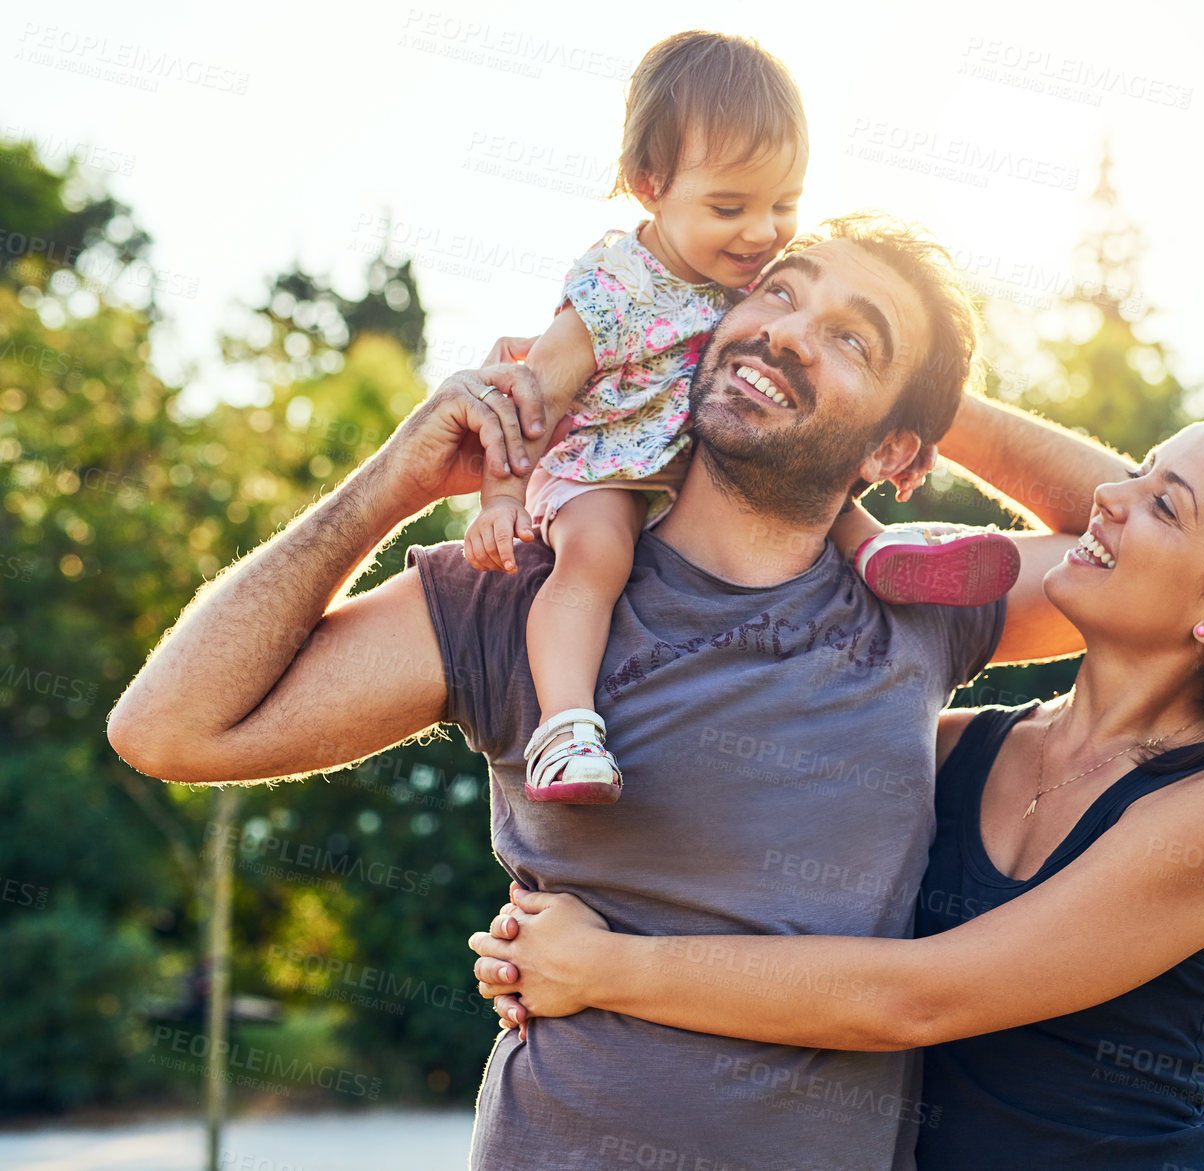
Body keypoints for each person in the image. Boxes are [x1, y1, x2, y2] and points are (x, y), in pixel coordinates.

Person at [107, 212, 1130, 1171]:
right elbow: (170, 728)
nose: (782, 336)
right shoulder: (526, 587)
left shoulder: (920, 598)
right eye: (775, 293)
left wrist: (938, 406)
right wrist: (394, 481)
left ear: (895, 452)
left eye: (849, 339)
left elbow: (1178, 556)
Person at [469, 410, 1204, 1168]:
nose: (1107, 496)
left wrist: (604, 969)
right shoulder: (959, 749)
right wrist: (545, 936)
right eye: (1139, 471)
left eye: (1164, 503)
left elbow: (913, 1001)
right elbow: (727, 815)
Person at [462, 31, 1018, 805]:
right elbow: (527, 398)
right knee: (595, 557)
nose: (761, 234)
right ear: (648, 183)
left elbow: (826, 389)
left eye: (783, 205)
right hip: (603, 466)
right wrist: (495, 499)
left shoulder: (742, 277)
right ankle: (565, 728)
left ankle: (882, 553)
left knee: (813, 474)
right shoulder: (614, 289)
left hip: (686, 455)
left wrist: (916, 420)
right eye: (731, 207)